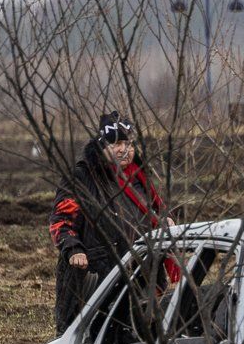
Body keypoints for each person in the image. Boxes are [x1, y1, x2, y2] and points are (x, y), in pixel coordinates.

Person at [48, 112, 173, 332]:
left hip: (140, 271)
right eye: (117, 143)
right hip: (96, 273)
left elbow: (155, 211)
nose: (124, 150)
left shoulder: (139, 177)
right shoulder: (84, 177)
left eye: (128, 143)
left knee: (141, 338)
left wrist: (165, 222)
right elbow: (61, 220)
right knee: (88, 337)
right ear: (102, 145)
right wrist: (73, 249)